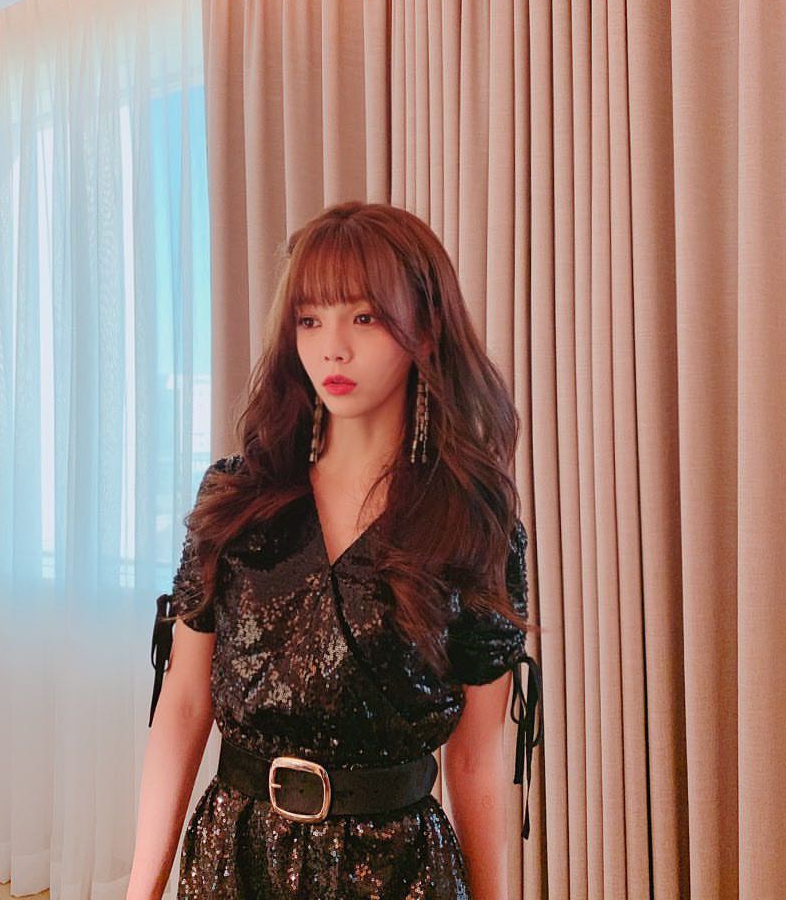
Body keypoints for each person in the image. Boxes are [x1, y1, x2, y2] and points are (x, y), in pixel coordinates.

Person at [127, 201, 544, 900]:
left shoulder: (472, 525)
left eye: (366, 317)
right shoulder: (238, 500)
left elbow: (476, 759)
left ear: (425, 327)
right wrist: (140, 891)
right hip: (239, 860)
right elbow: (184, 705)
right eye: (310, 319)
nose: (333, 349)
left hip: (399, 871)